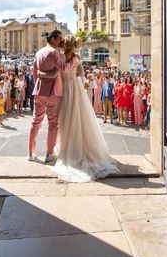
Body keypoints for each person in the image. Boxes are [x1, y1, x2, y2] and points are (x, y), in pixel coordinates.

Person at [40, 35, 118, 182]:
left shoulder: (61, 57)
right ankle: (78, 148)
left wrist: (42, 74)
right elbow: (81, 73)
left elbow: (55, 73)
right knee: (79, 118)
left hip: (64, 89)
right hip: (75, 88)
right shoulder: (76, 58)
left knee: (65, 119)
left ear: (64, 45)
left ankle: (66, 146)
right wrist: (74, 72)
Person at [29, 29, 78, 164]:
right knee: (53, 124)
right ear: (54, 38)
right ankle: (50, 154)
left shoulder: (38, 52)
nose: (61, 41)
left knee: (35, 122)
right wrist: (74, 61)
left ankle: (31, 153)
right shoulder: (54, 52)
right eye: (60, 38)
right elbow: (64, 68)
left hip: (39, 92)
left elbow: (34, 72)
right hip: (53, 93)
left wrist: (38, 85)